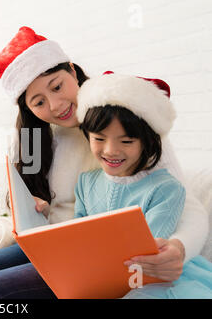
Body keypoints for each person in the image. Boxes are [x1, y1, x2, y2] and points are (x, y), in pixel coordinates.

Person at [0, 26, 208, 299]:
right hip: (47, 242)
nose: (56, 105)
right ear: (29, 109)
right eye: (39, 102)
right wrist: (26, 202)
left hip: (95, 256)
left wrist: (179, 247)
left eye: (57, 86)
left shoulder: (120, 119)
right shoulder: (34, 137)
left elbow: (186, 203)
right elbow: (13, 200)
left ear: (71, 70)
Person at [74, 71, 212, 298]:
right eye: (99, 138)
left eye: (126, 141)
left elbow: (145, 253)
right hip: (96, 272)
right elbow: (76, 234)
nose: (110, 150)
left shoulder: (166, 188)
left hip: (148, 277)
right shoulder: (85, 182)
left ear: (147, 143)